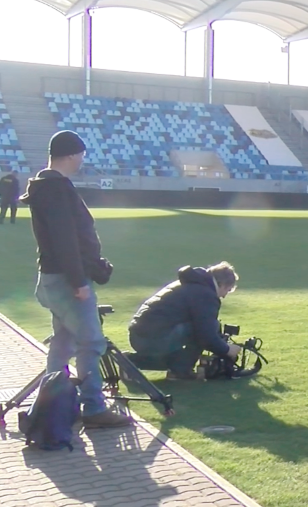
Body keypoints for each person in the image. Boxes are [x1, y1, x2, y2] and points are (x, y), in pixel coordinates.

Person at [20, 130, 128, 428]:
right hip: (67, 281)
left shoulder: (47, 186)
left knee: (64, 342)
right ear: (70, 155)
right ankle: (93, 408)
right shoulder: (56, 188)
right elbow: (65, 239)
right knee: (91, 342)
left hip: (55, 278)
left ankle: (52, 407)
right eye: (80, 154)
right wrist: (80, 281)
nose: (82, 159)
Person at [127, 263, 243, 381]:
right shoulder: (205, 294)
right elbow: (206, 335)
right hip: (151, 339)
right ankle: (179, 371)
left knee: (202, 330)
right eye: (227, 291)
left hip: (140, 335)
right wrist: (227, 349)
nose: (224, 296)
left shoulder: (190, 284)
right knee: (204, 329)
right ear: (222, 284)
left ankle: (132, 362)